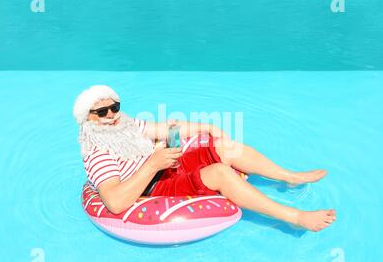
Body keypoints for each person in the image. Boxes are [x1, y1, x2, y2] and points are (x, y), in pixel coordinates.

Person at [73, 85, 336, 232]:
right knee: (221, 172)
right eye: (101, 111)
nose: (111, 115)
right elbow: (116, 202)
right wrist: (154, 163)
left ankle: (288, 177)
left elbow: (165, 129)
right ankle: (295, 217)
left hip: (162, 166)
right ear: (88, 118)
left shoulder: (125, 125)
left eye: (114, 107)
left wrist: (207, 128)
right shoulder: (98, 153)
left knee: (226, 148)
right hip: (152, 188)